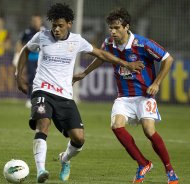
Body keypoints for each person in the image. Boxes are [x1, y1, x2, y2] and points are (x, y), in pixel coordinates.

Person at [16, 3, 144, 183]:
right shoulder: (41, 36)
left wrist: (126, 64)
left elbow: (101, 54)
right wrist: (18, 75)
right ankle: (41, 170)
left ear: (69, 24)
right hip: (42, 90)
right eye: (54, 25)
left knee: (79, 139)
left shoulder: (77, 41)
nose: (57, 29)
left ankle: (64, 159)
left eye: (60, 25)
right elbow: (25, 50)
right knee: (43, 124)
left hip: (65, 95)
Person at [73, 8, 179, 184]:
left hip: (144, 95)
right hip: (124, 96)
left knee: (149, 130)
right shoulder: (108, 44)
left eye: (116, 27)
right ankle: (143, 164)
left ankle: (170, 171)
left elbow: (168, 59)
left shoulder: (142, 44)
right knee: (116, 126)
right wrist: (84, 74)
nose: (113, 31)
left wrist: (156, 83)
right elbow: (101, 58)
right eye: (110, 28)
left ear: (126, 27)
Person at [13, 15, 45, 108]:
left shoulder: (45, 31)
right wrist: (17, 55)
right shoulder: (27, 32)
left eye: (37, 20)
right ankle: (29, 98)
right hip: (31, 58)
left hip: (42, 59)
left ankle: (42, 99)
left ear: (41, 21)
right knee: (31, 78)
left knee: (42, 79)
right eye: (34, 21)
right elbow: (20, 43)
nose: (36, 22)